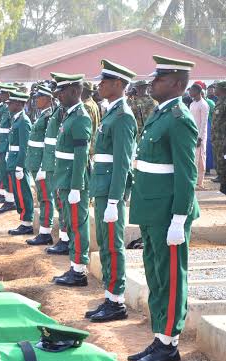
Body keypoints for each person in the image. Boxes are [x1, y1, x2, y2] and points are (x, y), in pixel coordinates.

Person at [127, 55, 199, 361]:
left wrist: (180, 218)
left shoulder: (179, 118)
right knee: (156, 276)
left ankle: (170, 343)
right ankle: (160, 337)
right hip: (152, 211)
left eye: (160, 78)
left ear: (177, 84)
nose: (153, 83)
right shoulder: (160, 115)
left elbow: (187, 174)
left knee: (171, 278)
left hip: (169, 213)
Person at [87, 60, 137, 323]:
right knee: (105, 245)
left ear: (118, 85)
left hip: (111, 192)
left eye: (104, 82)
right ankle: (110, 296)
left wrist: (114, 199)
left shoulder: (123, 116)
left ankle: (117, 301)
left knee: (114, 245)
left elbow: (122, 164)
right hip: (103, 188)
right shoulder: (111, 112)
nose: (99, 85)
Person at [52, 73, 93, 288]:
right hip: (65, 178)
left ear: (76, 92)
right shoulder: (69, 115)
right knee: (71, 223)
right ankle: (74, 265)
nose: (58, 95)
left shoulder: (81, 117)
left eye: (62, 91)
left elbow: (81, 155)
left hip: (73, 180)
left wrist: (77, 186)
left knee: (78, 225)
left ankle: (79, 271)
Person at [25, 84, 55, 245]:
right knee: (42, 196)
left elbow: (49, 145)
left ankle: (45, 232)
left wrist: (44, 165)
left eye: (39, 97)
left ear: (48, 99)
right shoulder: (42, 115)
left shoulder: (49, 116)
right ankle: (44, 231)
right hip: (36, 162)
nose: (36, 100)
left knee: (45, 197)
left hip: (42, 163)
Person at [43, 81, 70, 255]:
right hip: (54, 161)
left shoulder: (63, 111)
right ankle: (64, 238)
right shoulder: (58, 110)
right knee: (60, 203)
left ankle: (66, 240)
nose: (56, 93)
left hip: (60, 163)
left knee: (62, 204)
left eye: (58, 90)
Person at [5, 91, 34, 235]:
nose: (8, 105)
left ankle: (27, 223)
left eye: (11, 103)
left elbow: (25, 147)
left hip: (18, 162)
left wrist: (20, 166)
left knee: (23, 193)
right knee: (18, 193)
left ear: (19, 104)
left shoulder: (23, 121)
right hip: (13, 159)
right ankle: (24, 221)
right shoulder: (16, 119)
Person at [0, 85, 17, 214]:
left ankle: (10, 201)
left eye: (3, 93)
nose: (1, 96)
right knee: (4, 173)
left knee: (8, 175)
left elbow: (11, 132)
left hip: (8, 147)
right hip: (3, 145)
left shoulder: (11, 112)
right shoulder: (6, 109)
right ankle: (8, 200)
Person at [189, 81, 209, 189]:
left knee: (201, 158)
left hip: (200, 136)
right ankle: (194, 179)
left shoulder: (203, 104)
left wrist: (200, 138)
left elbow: (204, 123)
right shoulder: (192, 104)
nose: (190, 92)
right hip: (192, 134)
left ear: (198, 91)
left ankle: (200, 182)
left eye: (192, 90)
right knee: (193, 158)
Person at [212, 81, 226, 192]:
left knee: (223, 161)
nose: (214, 89)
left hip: (223, 139)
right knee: (219, 160)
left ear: (222, 89)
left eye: (216, 87)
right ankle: (222, 183)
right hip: (218, 139)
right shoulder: (219, 102)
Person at [82, 81, 101, 159]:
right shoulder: (93, 104)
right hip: (93, 144)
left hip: (88, 145)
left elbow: (85, 128)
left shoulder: (86, 106)